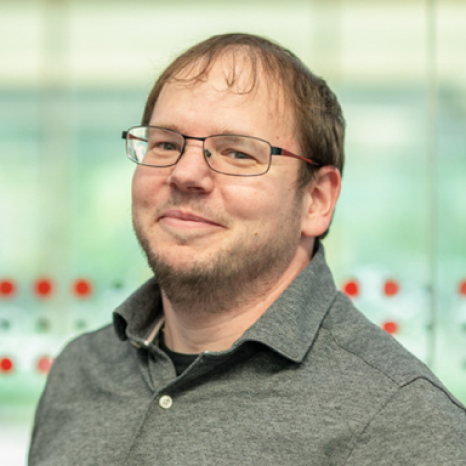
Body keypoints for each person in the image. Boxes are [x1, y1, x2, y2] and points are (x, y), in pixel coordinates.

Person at [28, 33, 466, 466]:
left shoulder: (403, 421)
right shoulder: (79, 372)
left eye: (237, 153)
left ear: (316, 201)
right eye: (165, 144)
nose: (186, 174)